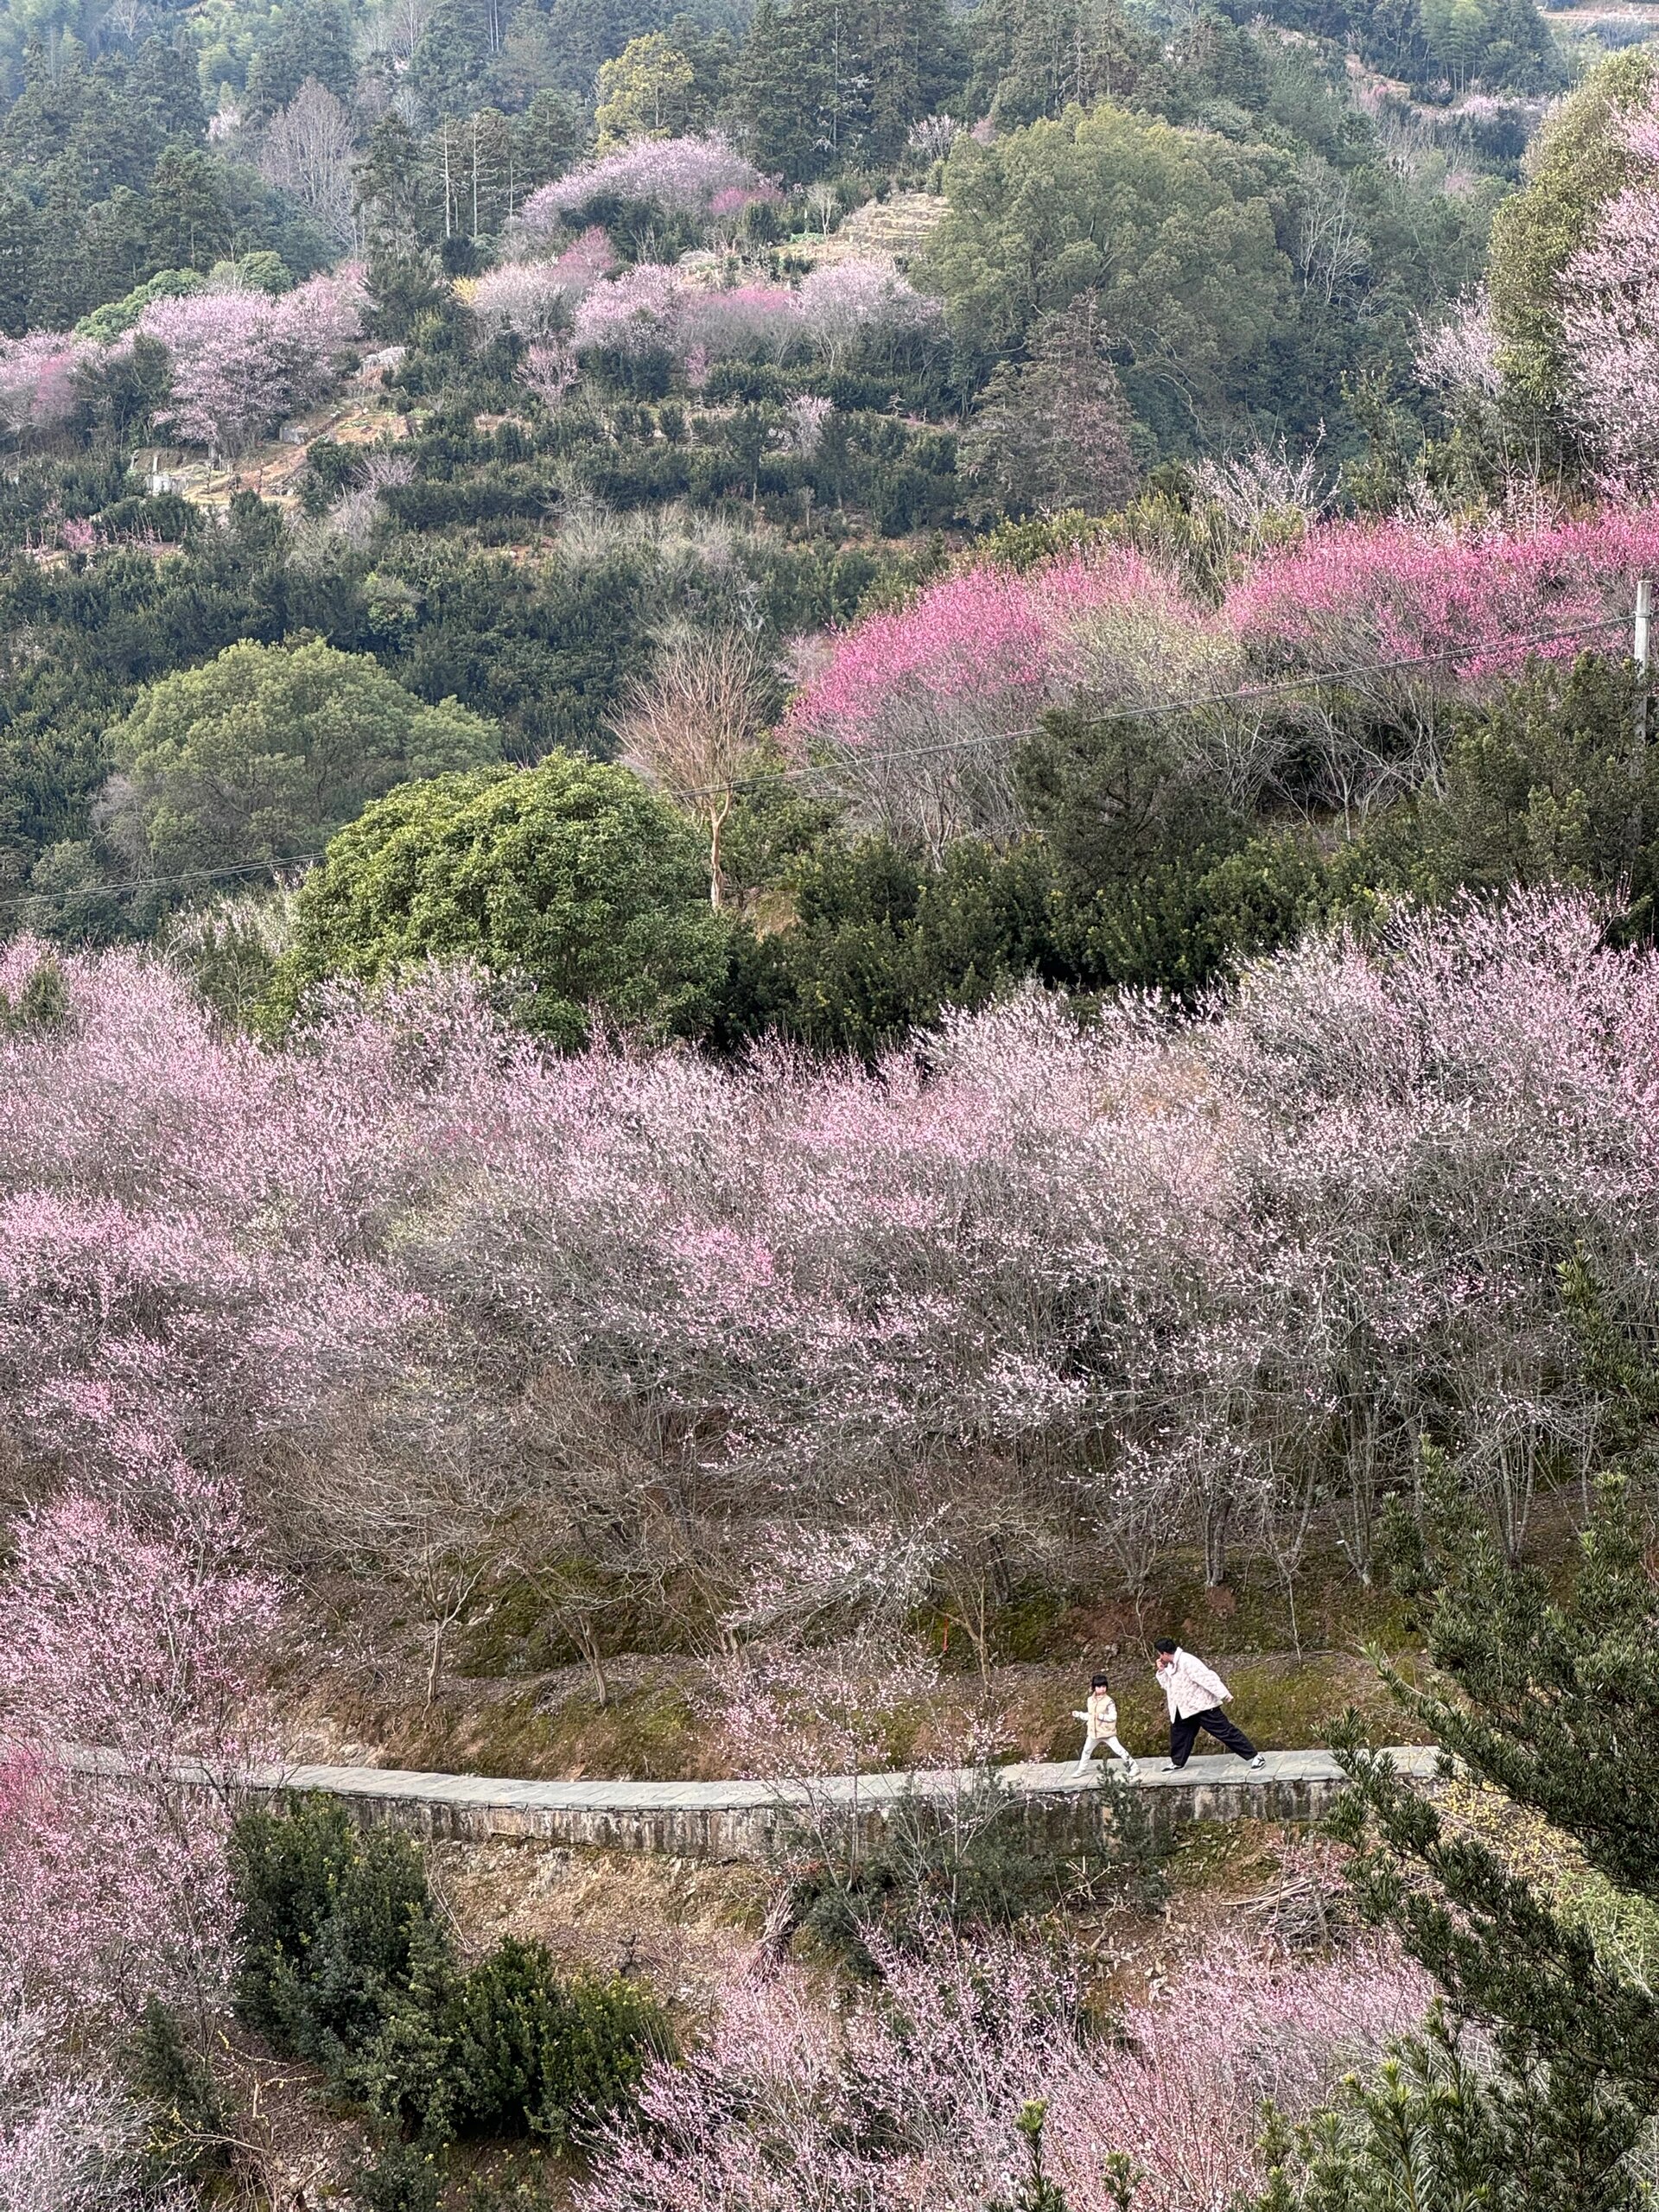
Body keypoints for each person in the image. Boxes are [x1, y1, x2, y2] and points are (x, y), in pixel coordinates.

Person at [1154, 1638, 1266, 1770]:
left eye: (1160, 1654)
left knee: (1225, 1731)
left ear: (1165, 1654)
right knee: (1179, 1735)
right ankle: (1177, 1762)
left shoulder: (1187, 1661)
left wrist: (1224, 1694)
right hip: (1183, 1708)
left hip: (1202, 1706)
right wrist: (1161, 1671)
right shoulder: (1171, 1666)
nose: (1160, 1658)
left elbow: (1206, 1678)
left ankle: (1255, 1757)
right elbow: (1168, 1686)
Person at [1072, 1672, 1139, 1778]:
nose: (1102, 1689)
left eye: (1104, 1686)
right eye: (1099, 1686)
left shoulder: (1109, 1701)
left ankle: (1134, 1767)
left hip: (1107, 1732)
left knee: (1119, 1750)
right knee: (1086, 1751)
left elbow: (1113, 1717)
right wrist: (1079, 1715)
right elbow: (1090, 1716)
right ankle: (1081, 1770)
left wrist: (1100, 1717)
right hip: (1093, 1732)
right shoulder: (1090, 1700)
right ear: (1094, 1687)